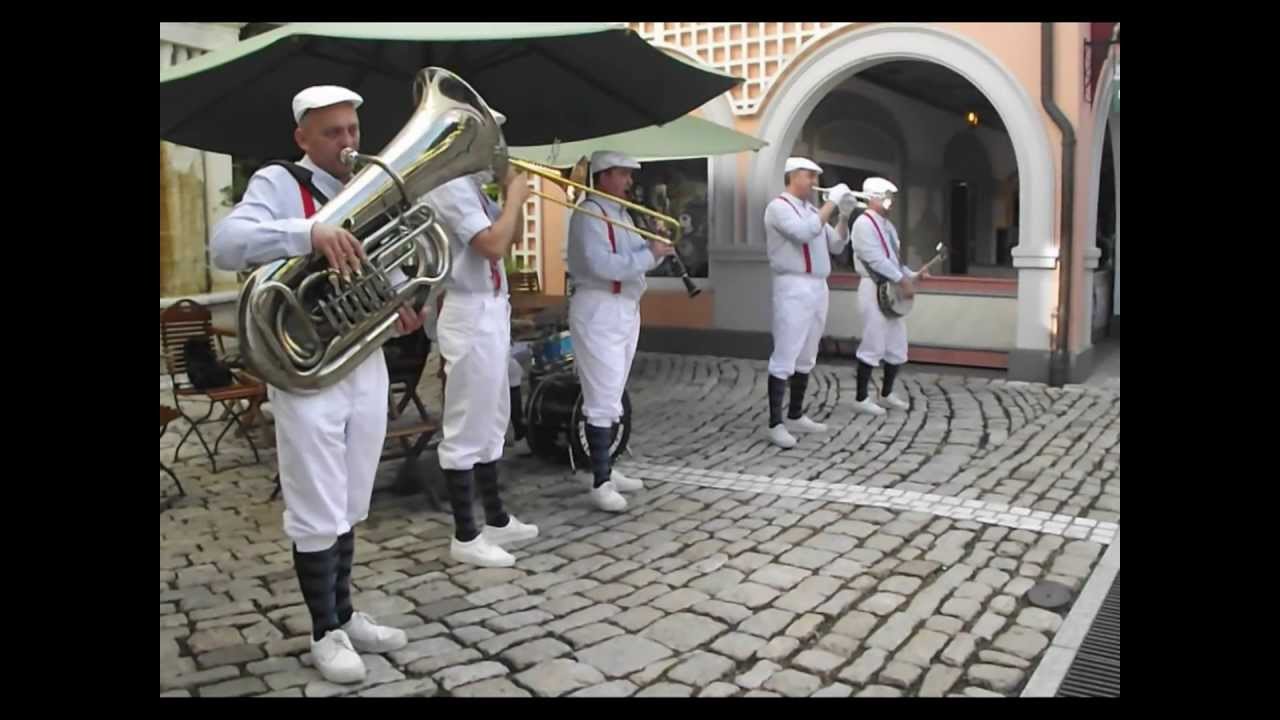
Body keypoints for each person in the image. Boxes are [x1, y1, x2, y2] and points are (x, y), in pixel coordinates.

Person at [211, 85, 419, 684]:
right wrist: (308, 233)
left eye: (353, 130)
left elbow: (395, 267)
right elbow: (226, 244)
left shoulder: (370, 188)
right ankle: (323, 631)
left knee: (352, 496)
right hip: (304, 369)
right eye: (333, 133)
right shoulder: (279, 183)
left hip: (363, 360)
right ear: (303, 137)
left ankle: (346, 614)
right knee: (316, 504)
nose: (348, 143)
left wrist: (406, 301)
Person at [422, 110, 540, 567]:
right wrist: (513, 195)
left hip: (492, 305)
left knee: (493, 420)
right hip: (468, 308)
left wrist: (514, 202)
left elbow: (504, 241)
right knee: (466, 425)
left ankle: (495, 519)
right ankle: (465, 536)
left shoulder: (470, 185)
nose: (496, 147)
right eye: (489, 138)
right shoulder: (447, 184)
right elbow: (489, 245)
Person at [566, 150, 674, 512]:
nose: (630, 182)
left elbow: (631, 261)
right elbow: (603, 265)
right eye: (624, 175)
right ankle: (600, 481)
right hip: (599, 306)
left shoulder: (622, 213)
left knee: (614, 391)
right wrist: (649, 254)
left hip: (625, 306)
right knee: (602, 395)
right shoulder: (588, 214)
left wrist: (653, 248)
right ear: (605, 175)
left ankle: (606, 468)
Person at [762, 157, 852, 449]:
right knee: (786, 352)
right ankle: (775, 424)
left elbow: (836, 245)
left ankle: (796, 413)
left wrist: (844, 217)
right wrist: (830, 205)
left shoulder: (812, 209)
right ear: (792, 176)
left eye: (815, 176)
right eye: (809, 175)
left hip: (817, 285)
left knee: (808, 353)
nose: (814, 182)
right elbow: (803, 233)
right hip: (792, 284)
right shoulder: (778, 207)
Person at [850, 176, 927, 415]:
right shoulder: (863, 224)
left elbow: (894, 260)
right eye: (886, 197)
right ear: (872, 197)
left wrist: (912, 274)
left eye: (890, 198)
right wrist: (901, 280)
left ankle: (886, 393)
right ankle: (861, 398)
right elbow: (875, 259)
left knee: (896, 343)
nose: (889, 202)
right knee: (873, 341)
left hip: (890, 287)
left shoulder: (888, 227)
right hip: (873, 286)